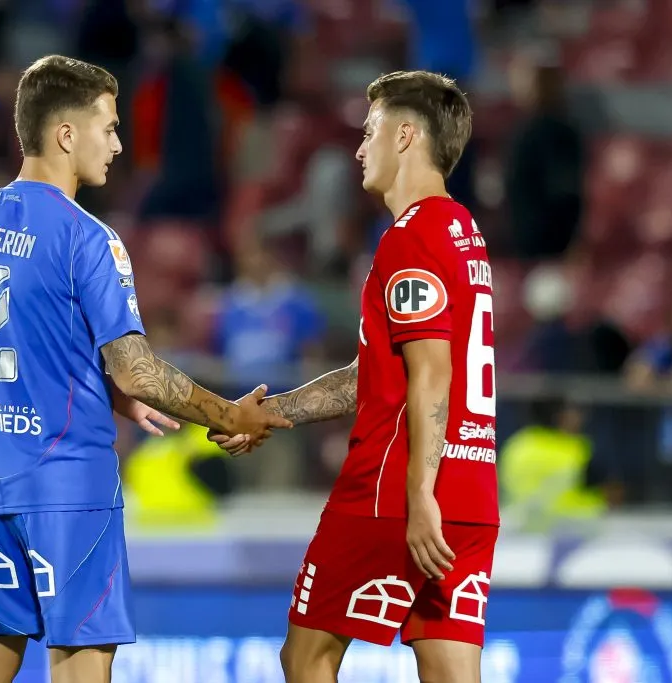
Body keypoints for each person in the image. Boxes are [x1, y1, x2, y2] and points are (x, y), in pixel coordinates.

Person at [0, 55, 290, 683]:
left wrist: (99, 389)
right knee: (80, 662)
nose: (119, 144)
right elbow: (137, 371)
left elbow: (26, 343)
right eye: (108, 127)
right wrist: (228, 414)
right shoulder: (89, 238)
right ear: (65, 134)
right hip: (68, 488)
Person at [213, 71, 498, 683]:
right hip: (471, 494)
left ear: (407, 136)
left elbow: (431, 375)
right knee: (452, 672)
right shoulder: (462, 232)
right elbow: (375, 375)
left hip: (394, 491)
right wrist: (278, 410)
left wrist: (419, 496)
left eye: (370, 132)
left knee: (307, 656)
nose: (360, 149)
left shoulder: (411, 238)